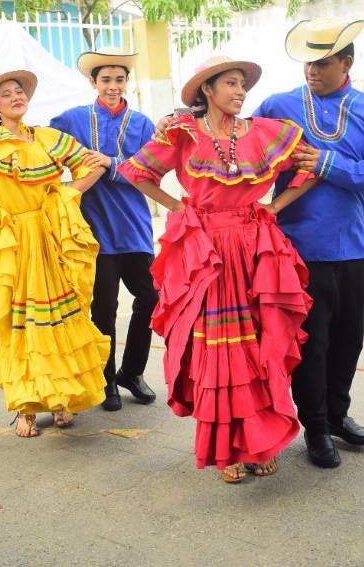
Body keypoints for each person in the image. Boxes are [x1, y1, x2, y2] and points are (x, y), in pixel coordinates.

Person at [119, 55, 317, 483]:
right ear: (207, 90)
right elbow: (136, 170)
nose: (240, 91)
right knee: (220, 350)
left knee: (261, 344)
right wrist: (177, 207)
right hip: (206, 251)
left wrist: (275, 206)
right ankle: (228, 449)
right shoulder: (183, 133)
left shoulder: (264, 132)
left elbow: (310, 166)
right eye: (230, 83)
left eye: (243, 84)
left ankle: (260, 443)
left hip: (256, 247)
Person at [253, 18, 364, 469]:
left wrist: (329, 163)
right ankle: (315, 427)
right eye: (307, 63)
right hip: (296, 250)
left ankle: (338, 415)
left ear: (347, 63)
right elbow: (236, 143)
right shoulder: (276, 106)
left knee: (349, 340)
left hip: (357, 249)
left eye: (322, 63)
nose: (311, 71)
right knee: (311, 343)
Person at [0, 69, 111, 438]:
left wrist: (66, 196)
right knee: (15, 323)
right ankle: (26, 406)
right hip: (9, 243)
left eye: (19, 92)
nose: (16, 97)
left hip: (49, 238)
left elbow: (90, 165)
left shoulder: (45, 137)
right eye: (7, 94)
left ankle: (60, 398)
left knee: (60, 320)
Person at [49, 50, 160, 412]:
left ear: (127, 82)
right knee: (104, 309)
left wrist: (111, 162)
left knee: (153, 299)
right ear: (93, 83)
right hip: (93, 232)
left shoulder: (143, 124)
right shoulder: (71, 119)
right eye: (106, 80)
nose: (113, 86)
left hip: (135, 228)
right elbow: (37, 145)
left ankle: (132, 371)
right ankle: (106, 379)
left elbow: (151, 170)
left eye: (119, 79)